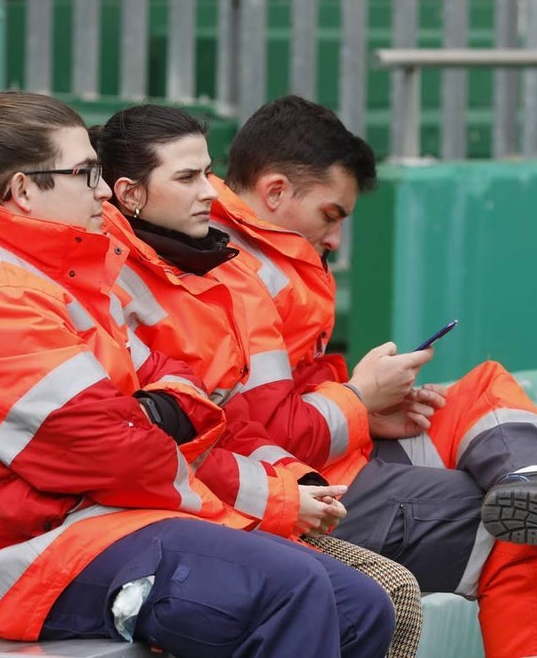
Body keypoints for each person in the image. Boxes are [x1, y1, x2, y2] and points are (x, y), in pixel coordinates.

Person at [124, 95, 537, 658]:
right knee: (523, 537)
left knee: (481, 390)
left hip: (321, 459)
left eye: (206, 175)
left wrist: (368, 409)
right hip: (297, 487)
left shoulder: (234, 256)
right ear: (275, 191)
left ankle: (532, 482)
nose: (335, 238)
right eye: (330, 215)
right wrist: (360, 398)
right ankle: (529, 500)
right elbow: (262, 434)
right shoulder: (227, 269)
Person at [0, 91, 396, 658]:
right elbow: (111, 448)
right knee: (297, 591)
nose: (102, 188)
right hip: (31, 551)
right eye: (84, 172)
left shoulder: (58, 278)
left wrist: (150, 412)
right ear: (22, 190)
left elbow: (172, 386)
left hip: (104, 518)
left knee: (359, 605)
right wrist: (162, 429)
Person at [92, 104, 425, 658]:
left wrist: (295, 481)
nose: (209, 190)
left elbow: (221, 423)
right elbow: (147, 447)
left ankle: (529, 471)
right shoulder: (113, 279)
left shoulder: (206, 270)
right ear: (129, 194)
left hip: (219, 496)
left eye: (207, 171)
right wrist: (353, 409)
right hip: (139, 521)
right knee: (360, 595)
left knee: (379, 597)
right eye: (187, 177)